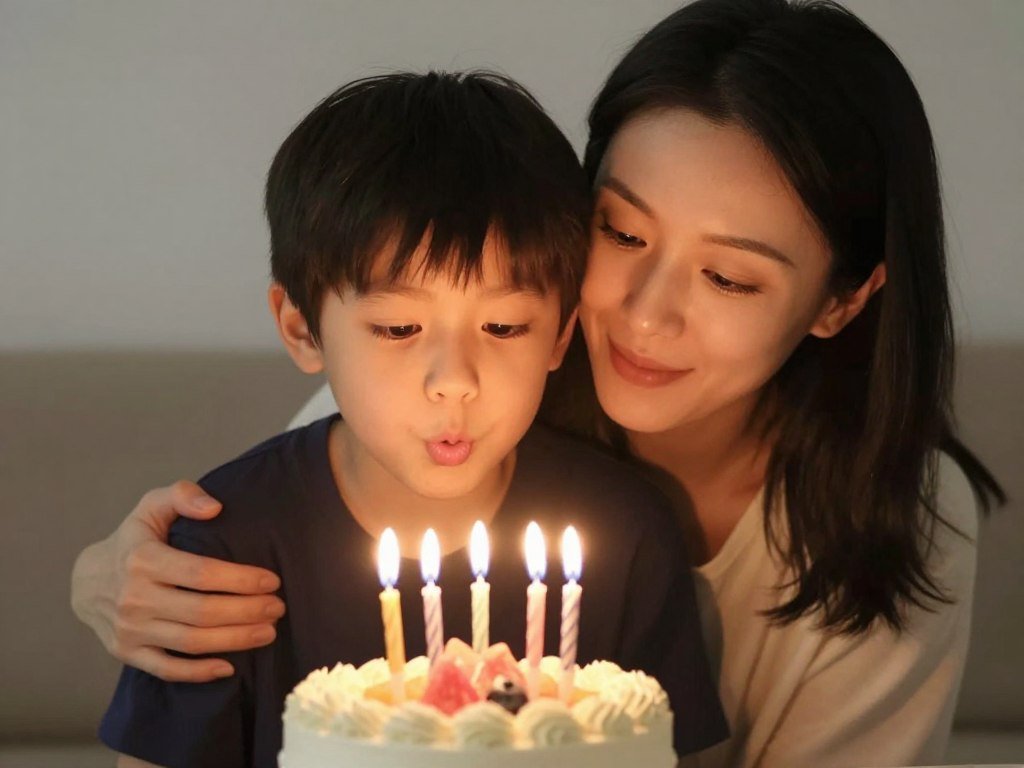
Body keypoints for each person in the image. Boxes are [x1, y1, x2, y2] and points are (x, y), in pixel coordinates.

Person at [72, 1, 1005, 766]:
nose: (644, 313)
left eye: (730, 276)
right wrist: (104, 576)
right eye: (624, 233)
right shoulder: (447, 405)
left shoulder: (899, 519)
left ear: (840, 302)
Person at [94, 71, 727, 768]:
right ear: (301, 328)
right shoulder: (224, 554)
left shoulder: (624, 532)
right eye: (397, 327)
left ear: (559, 335)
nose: (454, 380)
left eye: (505, 325)